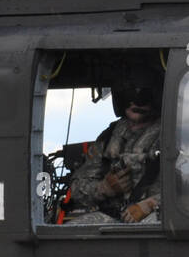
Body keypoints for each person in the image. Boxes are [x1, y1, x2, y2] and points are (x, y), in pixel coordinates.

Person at [62, 70, 162, 225]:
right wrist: (104, 188)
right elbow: (77, 188)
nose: (135, 102)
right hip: (113, 219)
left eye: (144, 95)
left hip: (156, 217)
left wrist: (150, 205)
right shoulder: (109, 137)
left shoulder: (171, 133)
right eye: (129, 95)